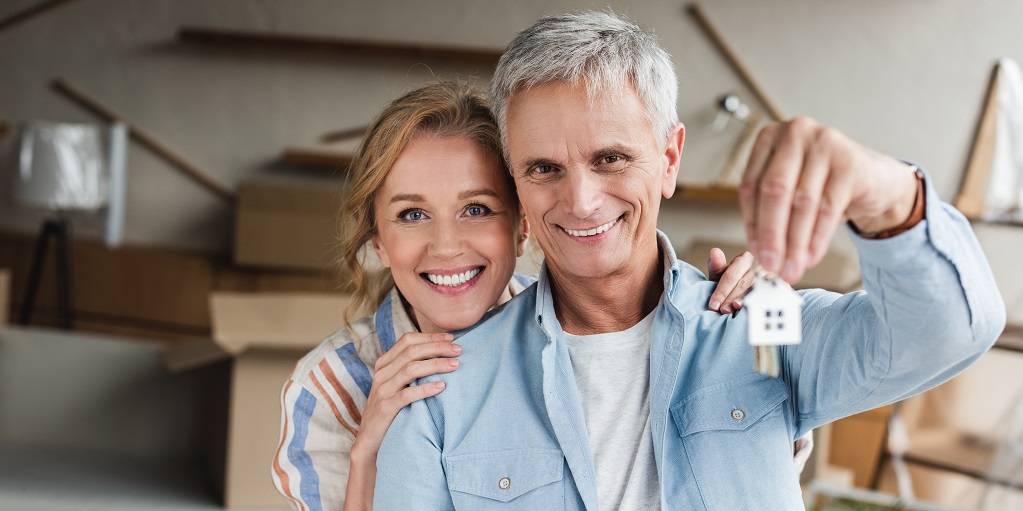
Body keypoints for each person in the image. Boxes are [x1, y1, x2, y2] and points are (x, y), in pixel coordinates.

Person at [373, 11, 1006, 510]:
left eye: (611, 158)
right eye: (544, 169)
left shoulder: (759, 324)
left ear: (670, 158)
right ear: (515, 180)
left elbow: (949, 333)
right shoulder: (442, 397)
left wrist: (887, 194)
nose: (582, 200)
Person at [270, 81, 757, 511]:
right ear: (378, 239)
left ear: (522, 226)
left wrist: (750, 330)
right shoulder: (328, 390)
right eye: (412, 215)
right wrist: (370, 452)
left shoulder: (580, 331)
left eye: (477, 208)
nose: (446, 247)